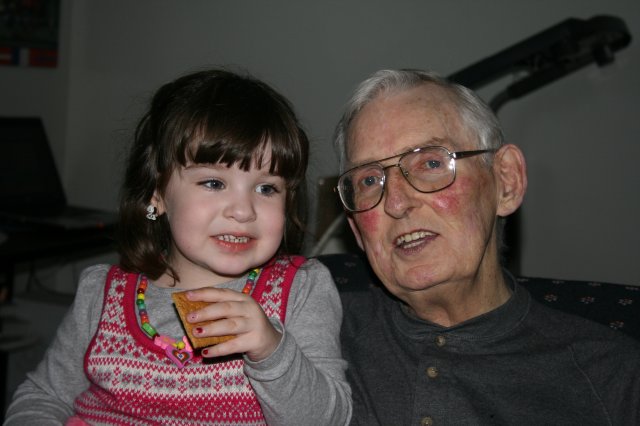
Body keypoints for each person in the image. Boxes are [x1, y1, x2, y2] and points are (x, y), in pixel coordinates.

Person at [5, 69, 351, 425]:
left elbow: (328, 420)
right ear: (157, 193)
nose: (243, 211)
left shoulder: (302, 290)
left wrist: (271, 350)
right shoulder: (100, 294)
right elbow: (42, 397)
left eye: (267, 188)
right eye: (214, 183)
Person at [333, 69, 640, 425]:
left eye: (431, 163)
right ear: (357, 229)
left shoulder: (614, 378)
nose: (396, 203)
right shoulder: (310, 339)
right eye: (370, 180)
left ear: (506, 181)